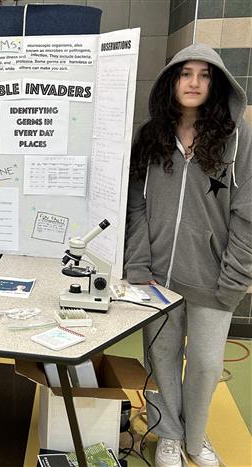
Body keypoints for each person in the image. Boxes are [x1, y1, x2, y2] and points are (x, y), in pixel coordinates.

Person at [125, 43, 251, 467]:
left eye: (205, 75)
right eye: (185, 73)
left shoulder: (238, 138)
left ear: (217, 84)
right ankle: (168, 435)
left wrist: (235, 277)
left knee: (206, 365)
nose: (194, 82)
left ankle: (195, 438)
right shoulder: (150, 137)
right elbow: (136, 206)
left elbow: (247, 214)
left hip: (213, 279)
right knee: (160, 359)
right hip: (157, 279)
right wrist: (138, 264)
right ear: (171, 81)